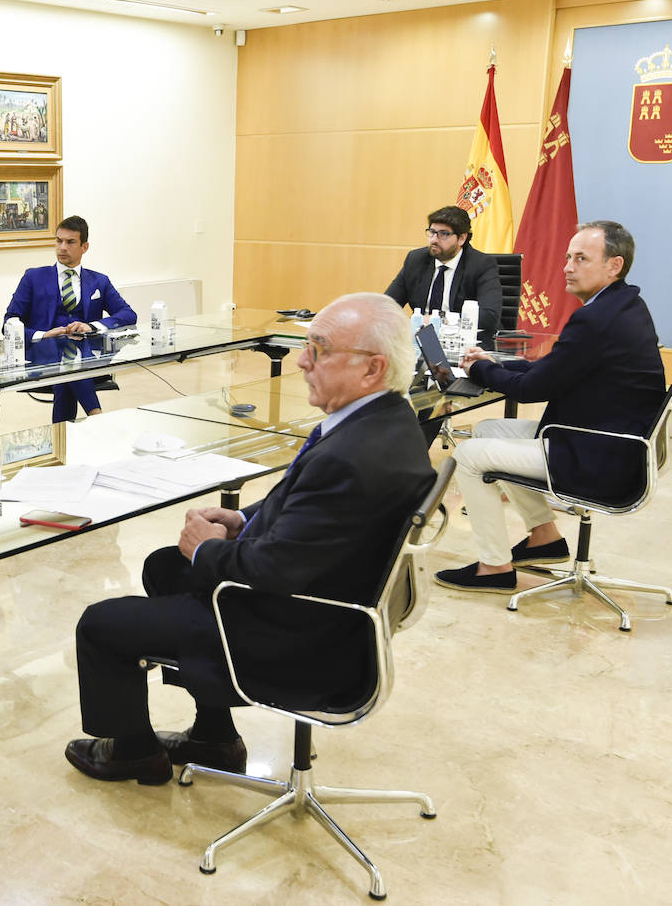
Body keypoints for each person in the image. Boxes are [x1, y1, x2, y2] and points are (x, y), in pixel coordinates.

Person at [64, 293, 436, 784]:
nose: (302, 361)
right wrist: (244, 523)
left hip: (297, 635)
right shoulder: (387, 422)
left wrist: (209, 549)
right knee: (163, 566)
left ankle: (133, 752)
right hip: (330, 608)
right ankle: (213, 736)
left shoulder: (351, 456)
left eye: (319, 351)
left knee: (100, 623)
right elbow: (309, 510)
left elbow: (276, 569)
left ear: (372, 369)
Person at [434, 221, 667, 593]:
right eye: (568, 257)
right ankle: (544, 536)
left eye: (581, 258)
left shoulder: (595, 319)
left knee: (468, 457)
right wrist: (493, 365)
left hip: (596, 455)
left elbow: (531, 389)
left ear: (614, 265)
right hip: (609, 443)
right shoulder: (623, 305)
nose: (568, 267)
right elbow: (555, 370)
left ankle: (494, 568)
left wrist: (479, 368)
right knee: (487, 430)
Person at [4, 216, 137, 423]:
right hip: (43, 354)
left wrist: (91, 326)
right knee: (68, 363)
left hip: (87, 354)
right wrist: (44, 334)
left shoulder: (99, 281)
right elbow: (9, 322)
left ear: (85, 246)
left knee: (70, 365)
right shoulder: (33, 277)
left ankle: (62, 439)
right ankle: (97, 417)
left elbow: (128, 314)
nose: (62, 247)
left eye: (70, 242)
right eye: (59, 241)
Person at [386, 205, 503, 346]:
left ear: (461, 239)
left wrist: (440, 319)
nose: (434, 239)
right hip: (422, 341)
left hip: (464, 345)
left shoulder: (481, 264)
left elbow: (489, 317)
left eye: (443, 234)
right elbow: (388, 305)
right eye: (432, 232)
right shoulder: (416, 259)